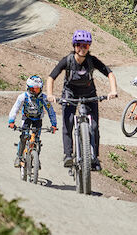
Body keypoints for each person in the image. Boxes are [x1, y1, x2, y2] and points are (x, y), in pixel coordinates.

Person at [45, 30, 118, 171]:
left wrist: (113, 90)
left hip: (89, 93)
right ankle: (68, 155)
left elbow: (109, 73)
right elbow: (51, 77)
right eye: (79, 45)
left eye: (86, 45)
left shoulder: (92, 61)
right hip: (70, 93)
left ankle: (94, 158)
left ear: (89, 47)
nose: (82, 48)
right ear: (74, 45)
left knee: (94, 127)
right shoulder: (67, 60)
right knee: (69, 123)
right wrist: (50, 94)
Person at [8, 75, 57, 168]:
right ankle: (19, 157)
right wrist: (11, 121)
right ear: (28, 88)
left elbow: (51, 111)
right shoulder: (23, 97)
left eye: (37, 89)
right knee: (24, 136)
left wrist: (54, 124)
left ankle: (36, 158)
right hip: (26, 119)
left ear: (41, 89)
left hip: (37, 120)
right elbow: (15, 108)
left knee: (37, 140)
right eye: (32, 89)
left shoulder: (44, 98)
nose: (35, 92)